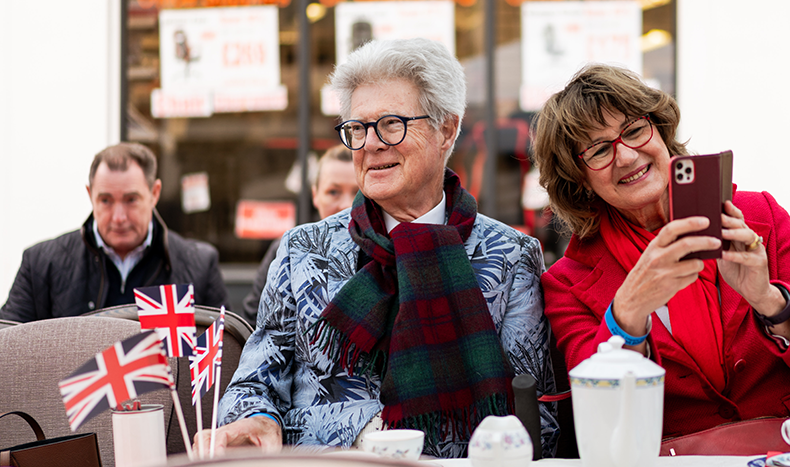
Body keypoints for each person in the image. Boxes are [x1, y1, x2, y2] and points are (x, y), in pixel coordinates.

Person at [197, 38, 557, 458]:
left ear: (446, 129)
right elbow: (253, 387)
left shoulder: (510, 255)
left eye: (390, 124)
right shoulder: (303, 250)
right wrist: (270, 419)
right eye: (357, 128)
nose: (370, 144)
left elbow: (538, 421)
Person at [531, 64, 790, 439]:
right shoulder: (567, 283)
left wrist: (769, 299)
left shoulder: (758, 217)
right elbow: (603, 421)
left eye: (635, 131)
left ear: (660, 132)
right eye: (598, 150)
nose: (625, 157)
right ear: (580, 179)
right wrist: (626, 314)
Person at [0, 142, 228, 322]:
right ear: (90, 195)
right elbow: (9, 350)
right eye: (106, 200)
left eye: (131, 200)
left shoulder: (198, 265)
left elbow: (223, 355)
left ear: (154, 193)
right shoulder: (41, 264)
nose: (119, 217)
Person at [241, 146, 359, 326]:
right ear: (315, 195)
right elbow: (253, 321)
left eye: (357, 193)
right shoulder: (287, 250)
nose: (345, 204)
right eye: (333, 192)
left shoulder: (383, 251)